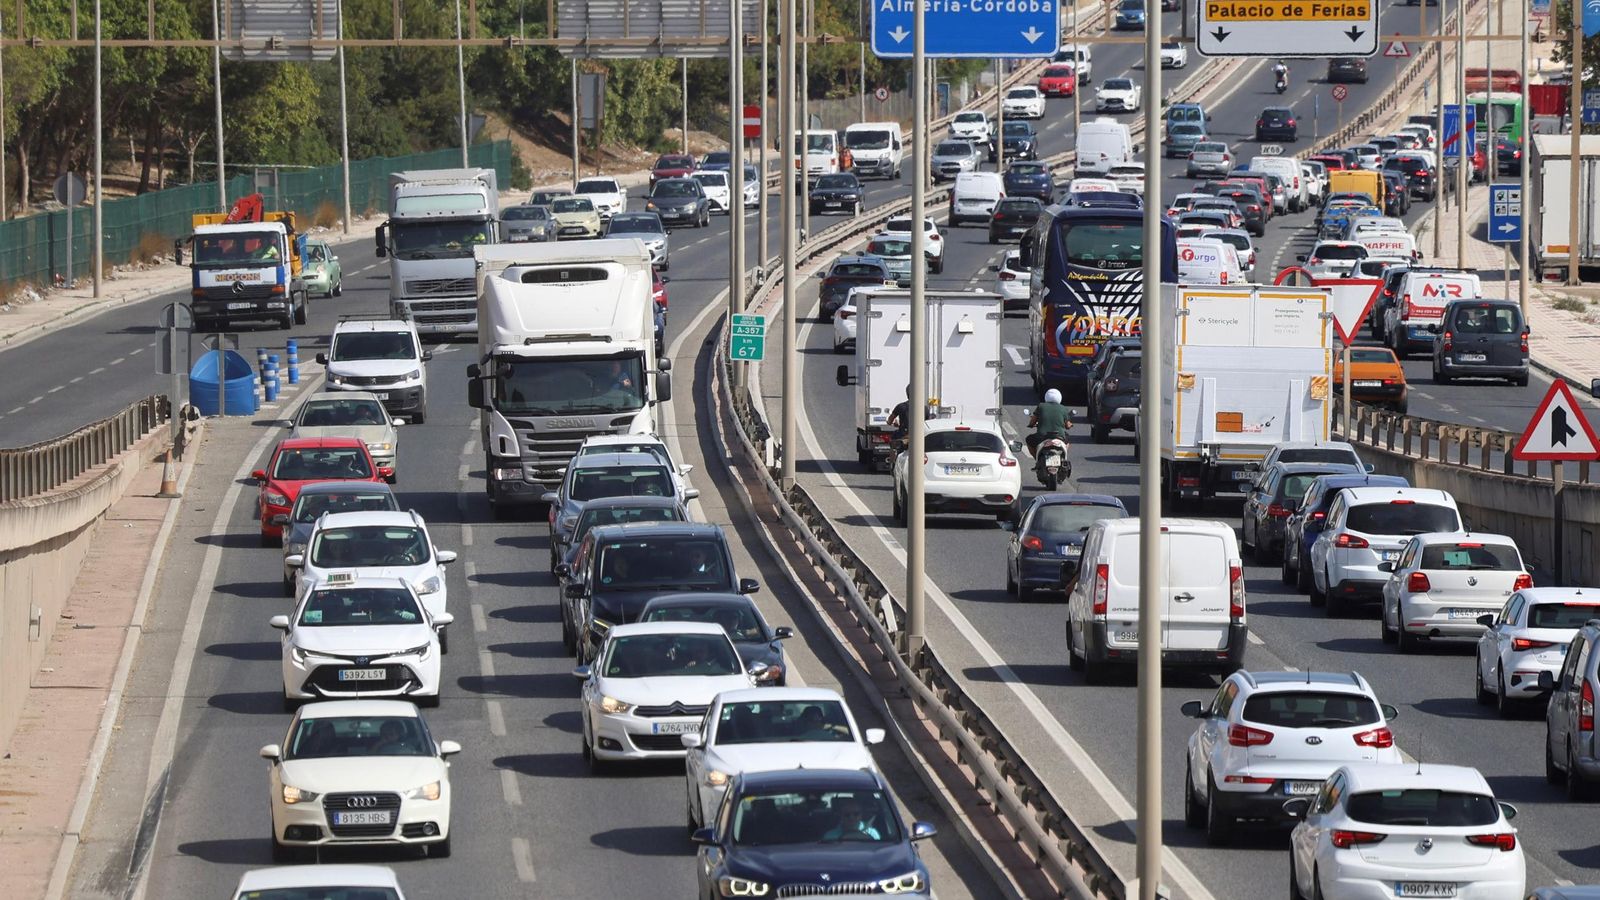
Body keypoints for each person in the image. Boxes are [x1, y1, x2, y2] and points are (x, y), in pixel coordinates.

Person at [1026, 388, 1073, 455]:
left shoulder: (1041, 406)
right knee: (1067, 440)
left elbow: (1033, 420)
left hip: (1042, 436)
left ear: (1046, 397)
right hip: (1059, 436)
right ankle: (1064, 455)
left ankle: (1036, 458)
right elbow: (1068, 425)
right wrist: (1070, 425)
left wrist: (1031, 424)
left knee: (1029, 439)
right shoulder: (1063, 408)